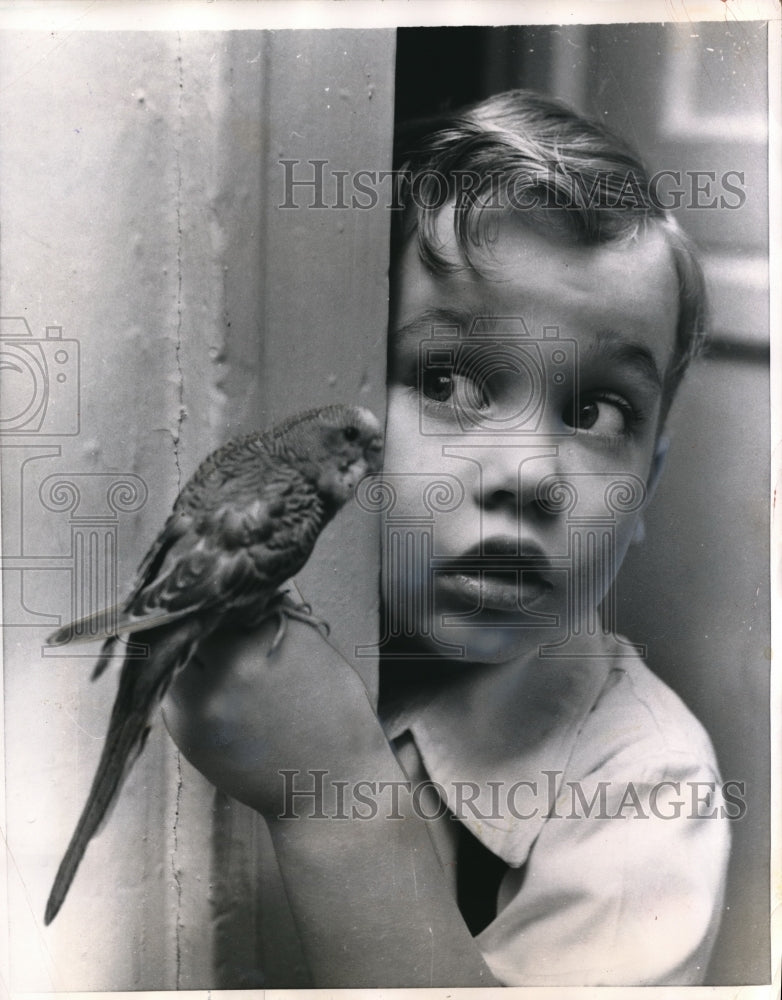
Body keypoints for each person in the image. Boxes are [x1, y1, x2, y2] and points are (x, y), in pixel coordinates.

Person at [162, 89, 730, 987]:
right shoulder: (223, 640)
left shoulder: (645, 783)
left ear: (645, 489)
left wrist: (341, 807)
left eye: (594, 409)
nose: (529, 475)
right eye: (450, 382)